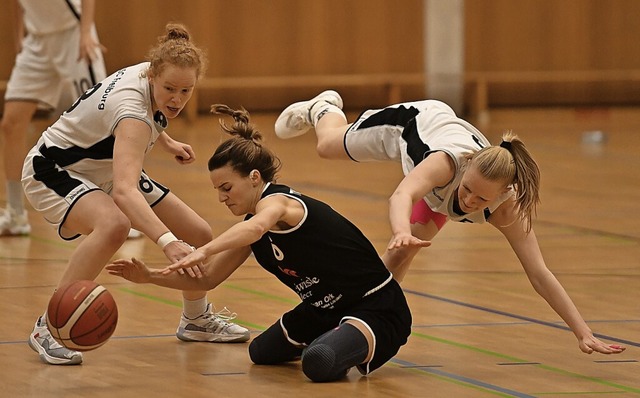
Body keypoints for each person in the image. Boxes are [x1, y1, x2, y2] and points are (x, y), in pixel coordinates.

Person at [273, 90, 626, 356]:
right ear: (467, 166)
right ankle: (324, 107)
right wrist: (400, 231)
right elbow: (401, 196)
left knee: (395, 263)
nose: (470, 201)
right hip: (409, 125)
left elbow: (539, 273)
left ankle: (361, 326)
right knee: (328, 145)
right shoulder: (445, 165)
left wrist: (582, 331)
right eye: (468, 190)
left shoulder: (506, 207)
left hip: (438, 200)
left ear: (501, 195)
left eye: (481, 200)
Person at [106, 104, 412, 382]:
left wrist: (203, 249)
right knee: (260, 353)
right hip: (322, 309)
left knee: (318, 362)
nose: (222, 197)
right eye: (217, 190)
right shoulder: (250, 228)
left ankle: (346, 342)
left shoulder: (281, 204)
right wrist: (150, 277)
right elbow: (209, 278)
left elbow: (256, 228)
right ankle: (335, 335)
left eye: (226, 187)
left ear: (254, 177)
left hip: (375, 306)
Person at [22, 23, 249, 366]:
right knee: (114, 225)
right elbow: (126, 190)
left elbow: (145, 117)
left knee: (199, 233)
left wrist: (168, 141)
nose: (176, 98)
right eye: (169, 88)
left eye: (185, 91)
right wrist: (166, 241)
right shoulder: (133, 112)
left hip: (100, 164)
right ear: (154, 75)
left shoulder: (151, 73)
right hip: (54, 167)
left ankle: (195, 320)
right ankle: (48, 327)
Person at [1, 0, 107, 236]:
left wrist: (85, 31)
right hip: (36, 41)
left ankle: (116, 210)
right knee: (11, 123)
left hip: (74, 34)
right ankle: (16, 214)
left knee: (99, 121)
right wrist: (19, 36)